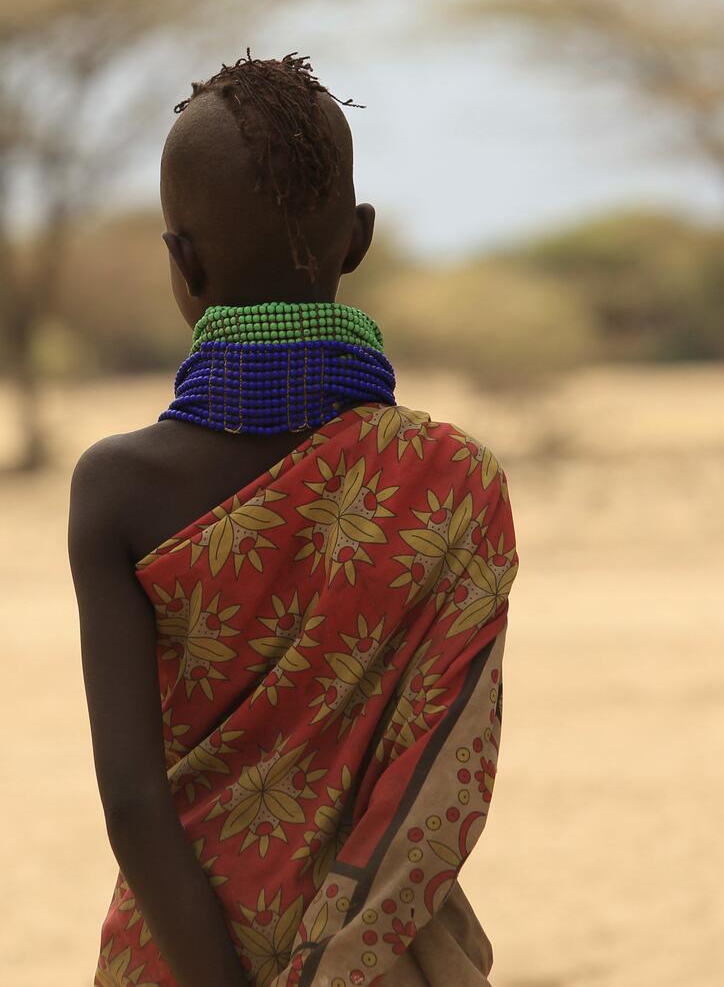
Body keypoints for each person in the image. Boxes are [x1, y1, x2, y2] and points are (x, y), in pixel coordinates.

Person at [70, 55, 516, 987]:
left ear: (179, 259)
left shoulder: (117, 489)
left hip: (174, 961)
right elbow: (442, 774)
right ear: (357, 239)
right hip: (385, 955)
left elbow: (131, 800)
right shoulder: (455, 480)